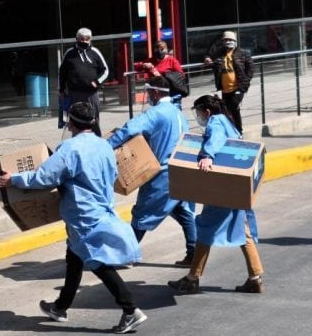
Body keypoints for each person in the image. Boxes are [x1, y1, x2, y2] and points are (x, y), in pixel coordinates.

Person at [0, 102, 147, 333]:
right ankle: (60, 307)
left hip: (83, 216)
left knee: (96, 262)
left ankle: (130, 309)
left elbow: (44, 178)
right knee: (74, 258)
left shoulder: (70, 149)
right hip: (101, 210)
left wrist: (13, 179)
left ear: (71, 122)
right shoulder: (104, 145)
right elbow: (115, 174)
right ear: (93, 121)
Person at [167, 95, 264, 294]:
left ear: (207, 111)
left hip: (222, 187)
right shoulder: (229, 121)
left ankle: (192, 278)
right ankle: (255, 277)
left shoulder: (216, 122)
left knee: (205, 229)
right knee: (242, 231)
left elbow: (216, 138)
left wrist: (207, 156)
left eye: (199, 112)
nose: (199, 117)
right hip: (234, 186)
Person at [107, 76, 196, 267]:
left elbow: (128, 130)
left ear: (155, 92)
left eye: (148, 93)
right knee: (183, 211)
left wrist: (105, 146)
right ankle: (193, 252)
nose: (148, 96)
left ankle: (126, 255)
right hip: (183, 171)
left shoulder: (156, 113)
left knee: (141, 214)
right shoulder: (177, 111)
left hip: (164, 174)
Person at [59, 27, 109, 136]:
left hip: (91, 95)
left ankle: (97, 141)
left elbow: (105, 71)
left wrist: (97, 81)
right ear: (77, 39)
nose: (84, 41)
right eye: (82, 39)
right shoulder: (69, 53)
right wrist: (61, 90)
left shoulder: (95, 52)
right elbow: (62, 73)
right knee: (76, 120)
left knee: (93, 120)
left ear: (90, 39)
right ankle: (77, 142)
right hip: (75, 94)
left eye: (87, 39)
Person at [204, 31, 254, 133]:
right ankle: (233, 131)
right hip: (225, 89)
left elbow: (251, 68)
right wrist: (207, 59)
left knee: (233, 108)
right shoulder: (220, 52)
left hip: (238, 88)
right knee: (228, 111)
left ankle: (238, 131)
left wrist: (245, 82)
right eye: (225, 40)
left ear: (235, 41)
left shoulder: (243, 53)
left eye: (230, 40)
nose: (228, 42)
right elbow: (209, 56)